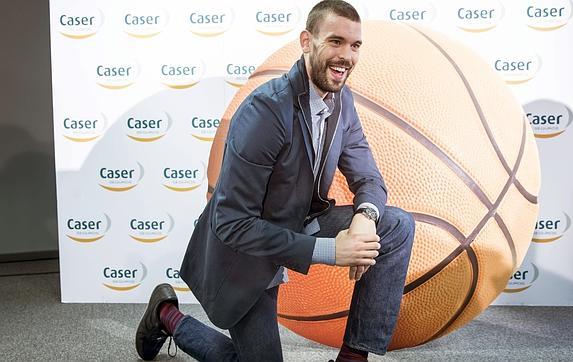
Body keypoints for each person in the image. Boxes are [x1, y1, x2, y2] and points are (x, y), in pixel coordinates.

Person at [135, 1, 415, 361]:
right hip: (247, 248)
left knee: (395, 224)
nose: (347, 55)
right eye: (335, 41)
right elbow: (233, 223)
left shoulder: (342, 101)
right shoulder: (265, 112)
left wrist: (365, 217)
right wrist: (333, 251)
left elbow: (369, 178)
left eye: (355, 45)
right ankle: (167, 316)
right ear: (306, 41)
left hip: (300, 221)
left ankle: (352, 358)